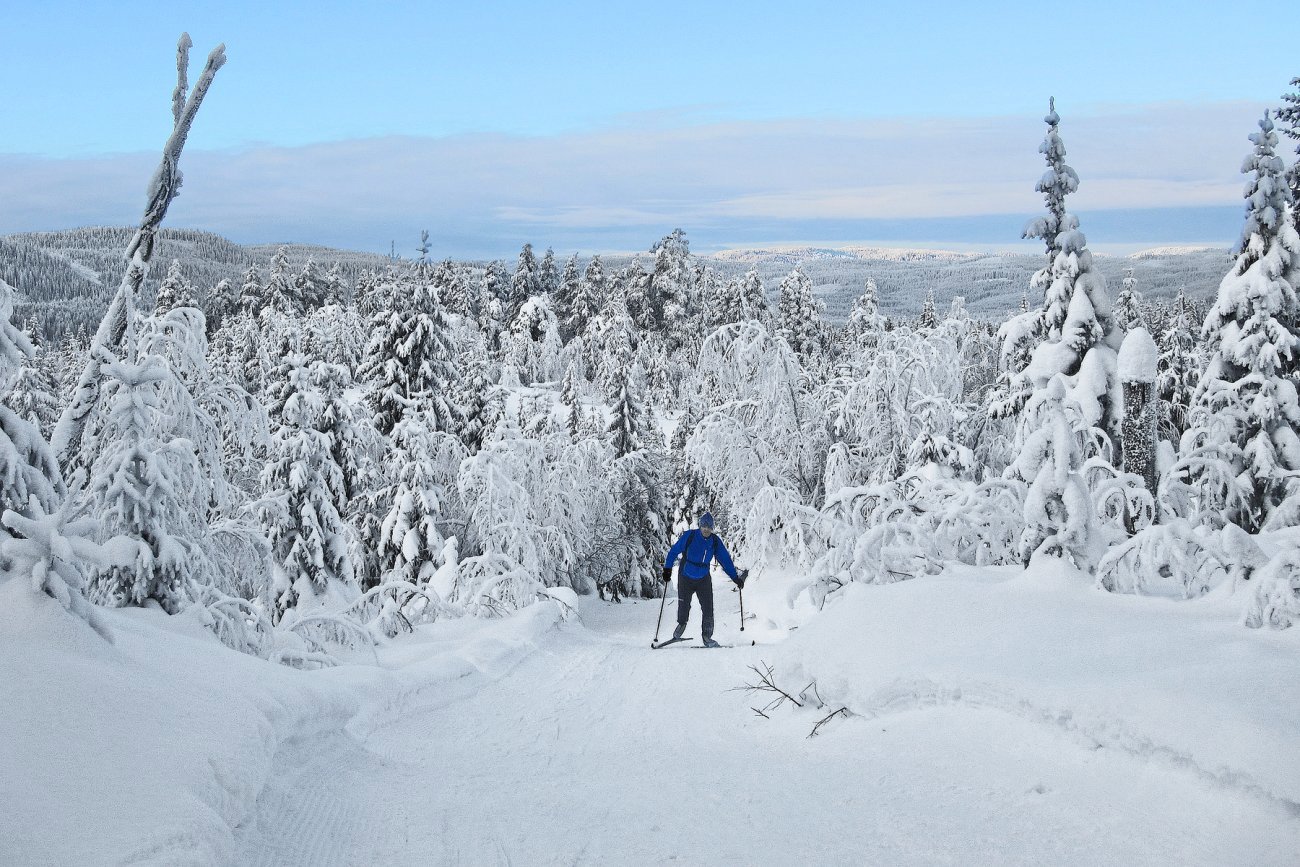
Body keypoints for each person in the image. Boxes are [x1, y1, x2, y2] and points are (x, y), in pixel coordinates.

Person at [663, 512, 744, 647]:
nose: (706, 529)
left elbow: (725, 560)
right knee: (684, 605)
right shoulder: (690, 536)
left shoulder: (715, 542)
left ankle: (707, 637)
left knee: (708, 608)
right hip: (685, 576)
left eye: (709, 527)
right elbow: (674, 551)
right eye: (704, 526)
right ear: (700, 526)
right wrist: (667, 569)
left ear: (712, 528)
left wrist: (735, 578)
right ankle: (681, 624)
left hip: (703, 579)